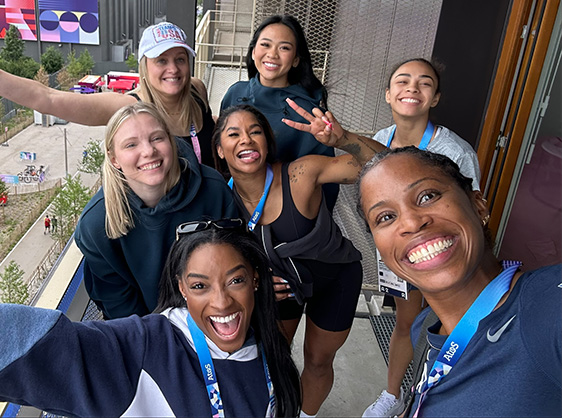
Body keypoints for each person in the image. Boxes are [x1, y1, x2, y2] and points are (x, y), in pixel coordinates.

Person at [0, 221, 302, 417]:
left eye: (235, 280)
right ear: (181, 290)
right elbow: (33, 346)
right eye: (200, 286)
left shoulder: (271, 354)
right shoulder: (145, 348)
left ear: (256, 281)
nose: (221, 302)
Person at [357, 146, 560, 417]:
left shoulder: (546, 309)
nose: (411, 222)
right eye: (386, 217)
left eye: (427, 196)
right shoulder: (426, 328)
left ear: (478, 207)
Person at [212, 103, 385, 416]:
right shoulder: (219, 198)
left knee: (318, 362)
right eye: (233, 134)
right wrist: (253, 278)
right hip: (277, 286)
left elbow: (383, 165)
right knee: (270, 359)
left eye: (255, 132)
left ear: (267, 141)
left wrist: (342, 138)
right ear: (220, 150)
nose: (246, 140)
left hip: (335, 280)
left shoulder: (301, 173)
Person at [0, 17, 218, 168]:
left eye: (180, 58)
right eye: (161, 60)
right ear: (144, 66)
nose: (173, 69)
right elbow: (47, 99)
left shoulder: (197, 92)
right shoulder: (128, 107)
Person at [355, 58, 482, 418]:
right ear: (388, 94)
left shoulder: (456, 152)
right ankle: (394, 394)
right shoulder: (377, 142)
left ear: (436, 97)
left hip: (447, 255)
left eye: (424, 83)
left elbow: (473, 210)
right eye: (403, 81)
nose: (412, 88)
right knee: (407, 323)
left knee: (453, 326)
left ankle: (448, 395)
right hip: (406, 257)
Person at [73, 103, 237, 319]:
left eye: (157, 138)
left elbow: (234, 268)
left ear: (172, 142)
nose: (148, 151)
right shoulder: (97, 224)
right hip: (145, 333)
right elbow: (122, 311)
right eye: (131, 145)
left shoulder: (213, 190)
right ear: (114, 159)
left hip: (215, 318)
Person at [219, 15, 338, 209]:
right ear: (253, 50)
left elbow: (325, 183)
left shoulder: (308, 111)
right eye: (265, 45)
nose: (272, 54)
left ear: (296, 59)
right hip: (235, 202)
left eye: (284, 48)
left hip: (285, 212)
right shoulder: (235, 93)